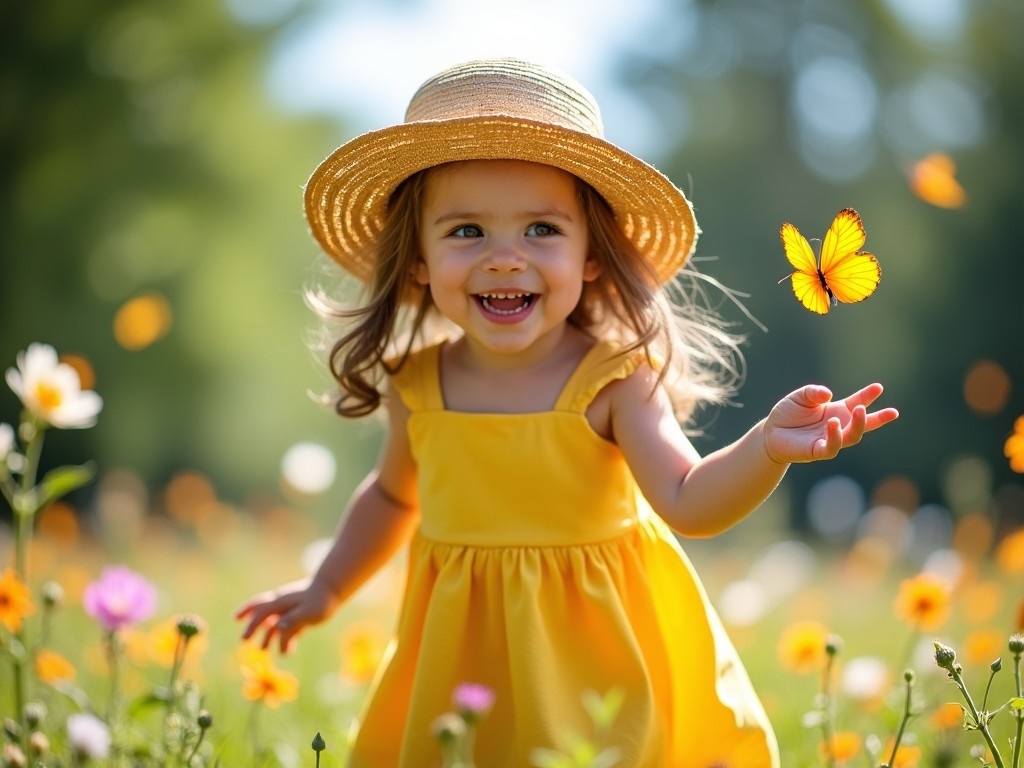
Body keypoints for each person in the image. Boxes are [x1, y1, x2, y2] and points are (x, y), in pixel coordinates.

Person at [236, 58, 898, 767]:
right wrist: (327, 586)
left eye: (541, 230)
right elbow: (393, 495)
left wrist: (765, 446)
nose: (504, 259)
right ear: (418, 259)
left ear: (591, 256)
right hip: (463, 662)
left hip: (600, 666)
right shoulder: (416, 384)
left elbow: (688, 501)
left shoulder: (613, 381)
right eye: (466, 232)